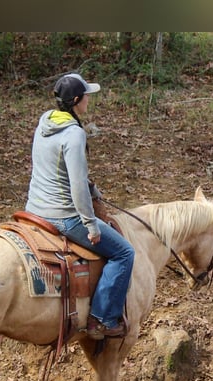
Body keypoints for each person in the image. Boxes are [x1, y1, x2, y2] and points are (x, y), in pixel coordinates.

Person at [25, 72, 134, 339]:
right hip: (63, 216)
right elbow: (75, 186)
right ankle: (102, 319)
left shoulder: (45, 123)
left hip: (34, 208)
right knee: (124, 253)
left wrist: (93, 188)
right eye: (86, 96)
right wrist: (90, 225)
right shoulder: (74, 134)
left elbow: (60, 171)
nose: (89, 100)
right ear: (76, 100)